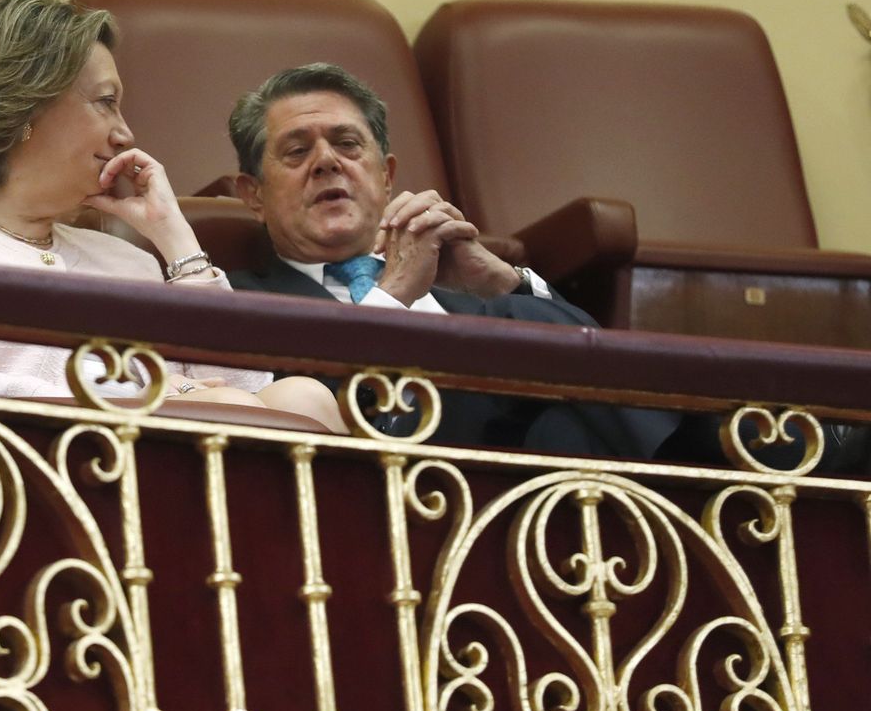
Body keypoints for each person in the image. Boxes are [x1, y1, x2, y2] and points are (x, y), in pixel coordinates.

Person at [0, 0, 343, 431]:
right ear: (24, 106)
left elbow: (245, 388)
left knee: (304, 399)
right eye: (106, 103)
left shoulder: (128, 261)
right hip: (23, 466)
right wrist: (136, 401)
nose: (125, 134)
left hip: (164, 464)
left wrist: (175, 236)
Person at [226, 63, 679, 456]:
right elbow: (315, 410)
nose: (327, 162)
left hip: (530, 493)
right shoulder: (238, 302)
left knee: (566, 424)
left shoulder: (473, 294)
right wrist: (393, 296)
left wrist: (501, 283)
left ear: (386, 176)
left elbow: (598, 364)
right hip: (396, 484)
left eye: (347, 144)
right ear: (254, 195)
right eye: (298, 151)